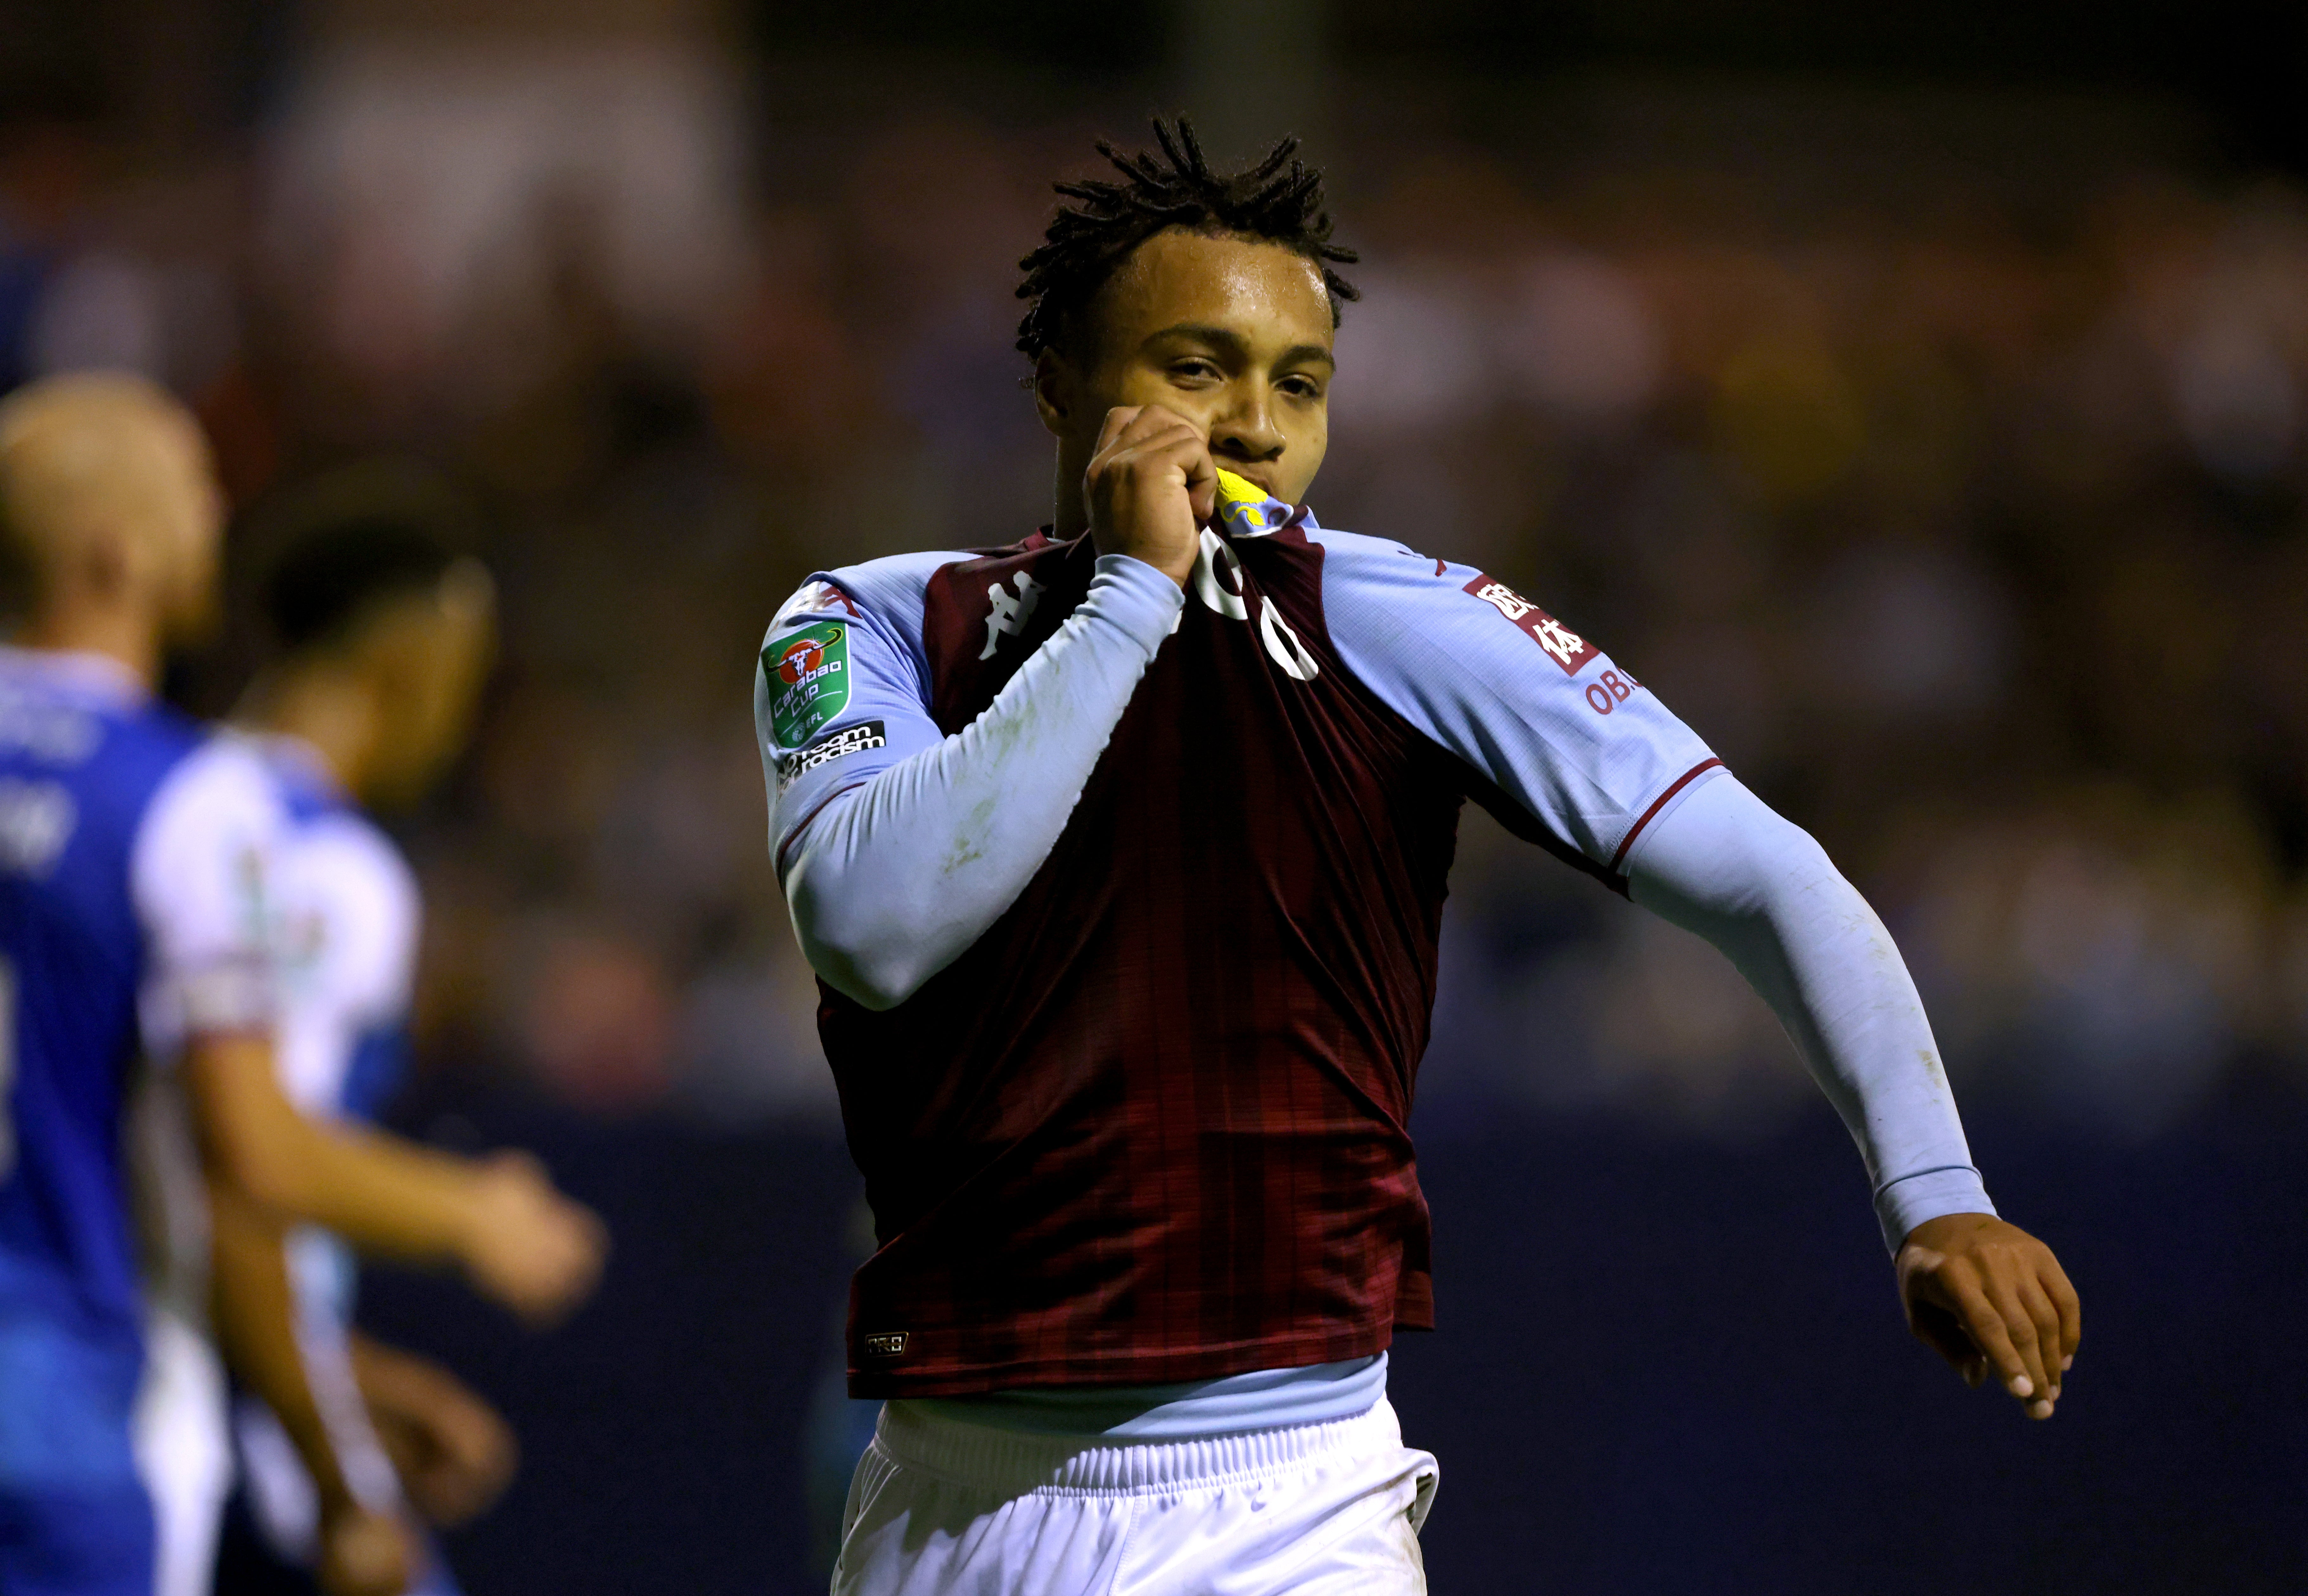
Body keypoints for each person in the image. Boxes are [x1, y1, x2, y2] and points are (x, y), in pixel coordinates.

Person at [753, 122, 2082, 1594]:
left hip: (1286, 1502)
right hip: (951, 1505)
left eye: (1300, 386)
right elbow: (871, 926)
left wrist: (1935, 1189)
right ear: (1060, 385)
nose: (1255, 426)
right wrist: (1128, 601)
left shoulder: (1396, 620)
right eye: (1197, 369)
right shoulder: (876, 624)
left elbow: (1770, 873)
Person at [0, 374, 599, 1596]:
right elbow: (245, 1181)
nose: (214, 513)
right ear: (121, 553)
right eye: (190, 490)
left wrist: (361, 1386)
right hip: (103, 1413)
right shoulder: (243, 835)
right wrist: (472, 1215)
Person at [202, 492, 522, 1596]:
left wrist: (355, 1382)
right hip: (228, 1448)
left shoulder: (179, 810)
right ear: (406, 652)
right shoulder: (329, 872)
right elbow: (239, 1181)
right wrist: (335, 1469)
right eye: (464, 666)